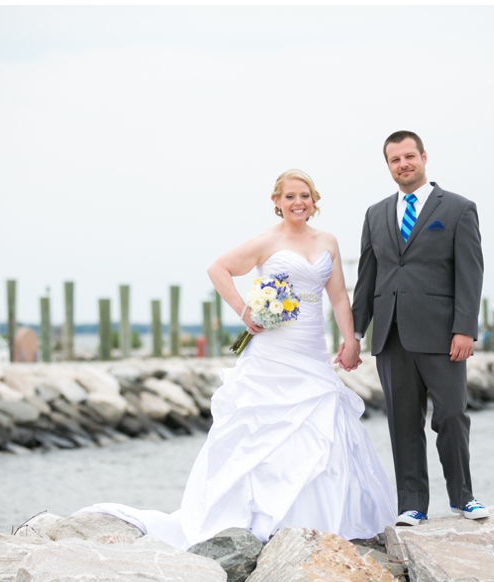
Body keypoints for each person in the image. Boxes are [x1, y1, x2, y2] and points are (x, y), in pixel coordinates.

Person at [76, 169, 396, 549]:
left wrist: (350, 340)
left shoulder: (328, 241)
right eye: (290, 196)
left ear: (314, 200)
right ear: (277, 202)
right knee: (263, 428)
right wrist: (245, 311)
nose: (298, 202)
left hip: (311, 348)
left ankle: (324, 522)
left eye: (305, 196)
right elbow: (218, 268)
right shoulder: (267, 241)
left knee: (322, 424)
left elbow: (340, 295)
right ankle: (261, 522)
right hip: (274, 350)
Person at [338, 130, 488, 525]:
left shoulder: (458, 208)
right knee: (403, 422)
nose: (403, 164)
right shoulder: (375, 214)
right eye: (394, 160)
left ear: (424, 156)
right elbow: (367, 279)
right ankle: (412, 505)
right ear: (388, 166)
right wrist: (354, 334)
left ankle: (463, 497)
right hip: (391, 334)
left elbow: (470, 274)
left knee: (452, 415)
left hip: (442, 334)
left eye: (409, 156)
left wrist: (465, 329)